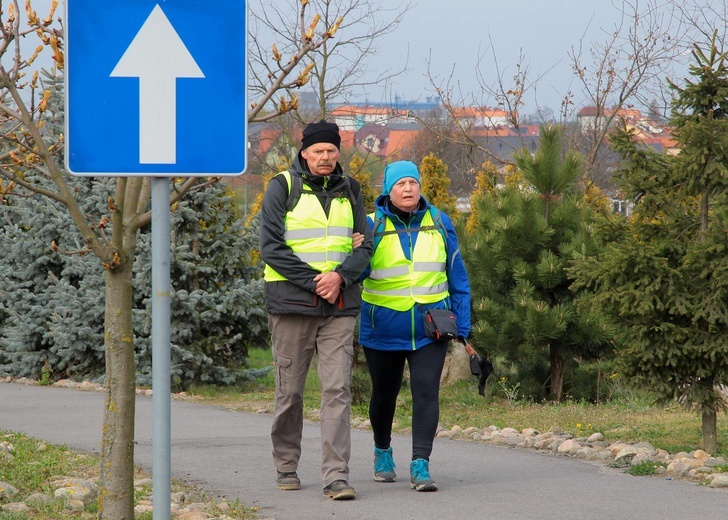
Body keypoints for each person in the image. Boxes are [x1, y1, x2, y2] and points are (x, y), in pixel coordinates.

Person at [259, 120, 373, 500]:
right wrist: (317, 281)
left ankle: (336, 476)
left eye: (331, 150)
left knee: (337, 389)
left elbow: (366, 249)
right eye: (318, 151)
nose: (325, 157)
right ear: (304, 152)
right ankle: (286, 465)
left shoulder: (351, 190)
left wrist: (339, 277)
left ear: (339, 153)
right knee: (290, 392)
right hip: (292, 305)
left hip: (339, 307)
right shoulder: (282, 187)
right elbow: (271, 248)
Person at [358, 160, 471, 492]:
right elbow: (357, 273)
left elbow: (458, 277)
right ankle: (382, 450)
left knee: (426, 393)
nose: (407, 189)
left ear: (420, 187)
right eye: (400, 184)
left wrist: (462, 326)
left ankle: (421, 464)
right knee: (384, 395)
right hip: (382, 327)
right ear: (387, 190)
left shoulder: (439, 222)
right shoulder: (370, 225)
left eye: (412, 182)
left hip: (430, 327)